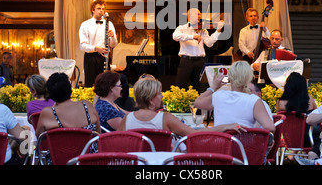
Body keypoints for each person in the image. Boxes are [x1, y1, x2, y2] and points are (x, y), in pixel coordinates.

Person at [118, 75, 246, 137]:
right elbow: (195, 134)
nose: (162, 96)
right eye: (159, 94)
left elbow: (118, 143)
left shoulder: (127, 119)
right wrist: (225, 127)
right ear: (151, 100)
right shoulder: (165, 118)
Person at [194, 61, 276, 134]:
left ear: (230, 77)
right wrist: (251, 130)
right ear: (249, 78)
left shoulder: (219, 95)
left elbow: (197, 103)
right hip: (244, 147)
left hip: (221, 147)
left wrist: (213, 87)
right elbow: (270, 127)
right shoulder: (254, 100)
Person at [173, 8, 224, 90]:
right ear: (190, 16)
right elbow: (175, 36)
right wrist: (192, 36)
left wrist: (218, 31)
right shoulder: (182, 28)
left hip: (199, 61)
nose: (200, 16)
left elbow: (209, 43)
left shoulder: (203, 29)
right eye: (197, 14)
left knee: (198, 86)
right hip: (186, 61)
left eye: (200, 14)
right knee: (181, 85)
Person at [35, 72, 101, 137]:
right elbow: (98, 133)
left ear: (50, 93)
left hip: (60, 147)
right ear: (70, 89)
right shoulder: (87, 105)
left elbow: (39, 137)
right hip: (89, 147)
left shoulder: (48, 112)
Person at [79, 0, 118, 87]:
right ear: (93, 10)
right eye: (99, 8)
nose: (101, 11)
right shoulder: (85, 24)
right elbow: (83, 46)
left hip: (104, 57)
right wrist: (96, 48)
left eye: (103, 9)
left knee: (105, 84)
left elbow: (113, 45)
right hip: (91, 58)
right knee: (90, 84)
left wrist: (112, 36)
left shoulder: (109, 24)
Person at [276, 72, 318, 148]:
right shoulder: (309, 99)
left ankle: (292, 154)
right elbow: (317, 115)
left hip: (289, 139)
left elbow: (278, 120)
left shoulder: (280, 102)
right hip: (309, 139)